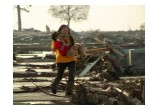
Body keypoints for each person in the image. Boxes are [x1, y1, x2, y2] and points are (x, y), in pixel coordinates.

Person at [51, 24, 77, 96]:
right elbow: (53, 49)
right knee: (60, 75)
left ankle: (69, 91)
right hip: (61, 59)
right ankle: (54, 86)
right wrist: (60, 44)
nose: (65, 31)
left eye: (67, 30)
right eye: (64, 30)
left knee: (72, 75)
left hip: (71, 59)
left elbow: (73, 46)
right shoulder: (56, 39)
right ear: (60, 31)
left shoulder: (70, 38)